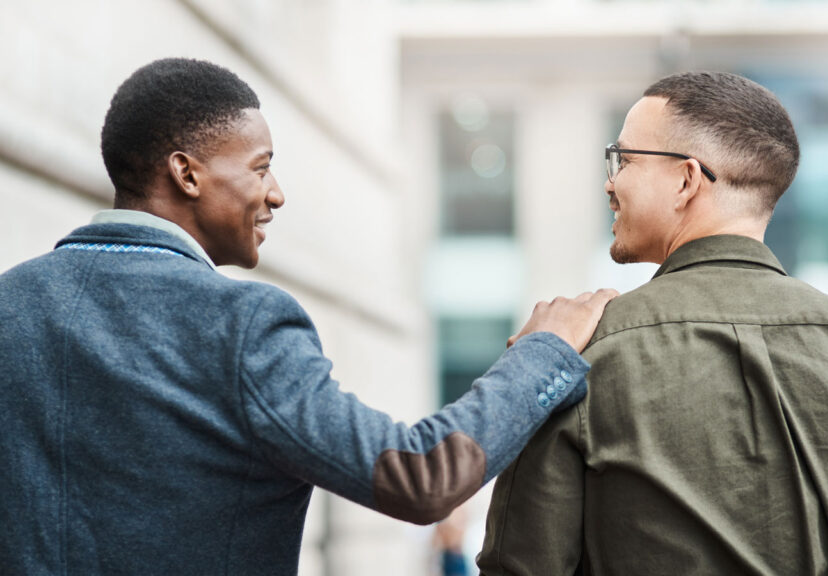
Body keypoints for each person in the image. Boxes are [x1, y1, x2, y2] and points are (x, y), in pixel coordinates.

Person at [0, 58, 616, 576]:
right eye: (261, 167)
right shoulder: (243, 325)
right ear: (186, 173)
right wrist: (545, 350)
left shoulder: (11, 303)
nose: (277, 194)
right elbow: (421, 475)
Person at [477, 71, 828, 575]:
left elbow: (522, 566)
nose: (610, 181)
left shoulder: (575, 353)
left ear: (687, 180)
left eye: (622, 159)